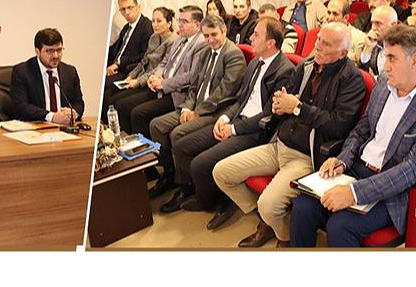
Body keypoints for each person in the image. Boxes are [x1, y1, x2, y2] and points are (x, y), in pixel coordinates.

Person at [290, 25, 416, 248]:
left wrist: (354, 193)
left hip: (392, 188)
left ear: (415, 60)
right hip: (357, 168)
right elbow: (362, 129)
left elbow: (411, 169)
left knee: (340, 226)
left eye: (392, 58)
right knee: (303, 207)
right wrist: (343, 160)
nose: (385, 66)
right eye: (385, 56)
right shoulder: (384, 84)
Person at [213, 23, 366, 248]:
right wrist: (278, 106)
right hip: (279, 144)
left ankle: (283, 235)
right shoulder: (306, 66)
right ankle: (269, 221)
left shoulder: (352, 79)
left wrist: (297, 108)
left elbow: (338, 126)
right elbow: (286, 99)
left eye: (326, 44)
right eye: (318, 39)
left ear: (343, 53)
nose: (317, 46)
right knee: (222, 173)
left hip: (306, 156)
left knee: (268, 204)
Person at [163, 18, 294, 225]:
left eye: (256, 34)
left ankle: (213, 202)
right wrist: (224, 118)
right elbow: (241, 100)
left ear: (271, 43)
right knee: (181, 145)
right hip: (237, 120)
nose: (250, 38)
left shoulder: (284, 70)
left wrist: (233, 129)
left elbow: (269, 115)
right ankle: (193, 189)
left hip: (256, 131)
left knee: (200, 164)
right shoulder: (255, 63)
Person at [151, 15, 246, 206]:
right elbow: (194, 85)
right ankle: (170, 173)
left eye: (214, 35)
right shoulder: (205, 52)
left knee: (178, 134)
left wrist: (197, 112)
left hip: (216, 111)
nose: (210, 40)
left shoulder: (233, 55)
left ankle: (187, 185)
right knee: (156, 125)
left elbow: (224, 92)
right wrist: (187, 107)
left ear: (224, 31)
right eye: (206, 36)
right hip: (194, 106)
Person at [115, 5, 207, 135]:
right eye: (179, 20)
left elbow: (191, 76)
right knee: (122, 105)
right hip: (160, 86)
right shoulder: (180, 39)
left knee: (138, 113)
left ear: (197, 25)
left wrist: (163, 84)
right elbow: (164, 63)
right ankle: (129, 142)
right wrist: (155, 77)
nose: (179, 24)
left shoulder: (201, 44)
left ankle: (143, 146)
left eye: (184, 21)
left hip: (177, 93)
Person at [102, 7, 177, 124]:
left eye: (159, 21)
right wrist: (131, 76)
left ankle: (127, 133)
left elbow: (160, 68)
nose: (155, 24)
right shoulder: (154, 37)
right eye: (153, 21)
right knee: (110, 98)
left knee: (121, 105)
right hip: (142, 78)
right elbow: (144, 60)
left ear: (169, 23)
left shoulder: (173, 41)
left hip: (154, 83)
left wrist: (137, 81)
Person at [11, 28, 84, 125]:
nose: (56, 56)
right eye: (50, 51)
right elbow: (21, 106)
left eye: (59, 50)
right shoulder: (22, 72)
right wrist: (52, 117)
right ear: (37, 51)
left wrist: (74, 113)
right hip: (37, 127)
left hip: (65, 127)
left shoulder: (70, 72)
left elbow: (79, 103)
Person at [105, 0, 153, 82]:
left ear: (138, 7)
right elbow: (115, 49)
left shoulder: (147, 26)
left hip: (128, 71)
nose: (127, 12)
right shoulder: (126, 27)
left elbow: (145, 55)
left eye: (130, 7)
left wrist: (119, 64)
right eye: (123, 9)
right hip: (114, 67)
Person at [360, 5, 398, 77]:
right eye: (372, 23)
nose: (373, 28)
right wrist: (368, 49)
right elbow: (365, 71)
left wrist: (374, 79)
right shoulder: (375, 41)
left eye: (378, 24)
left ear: (393, 25)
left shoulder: (402, 47)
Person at [326, 0, 365, 65]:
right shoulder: (324, 34)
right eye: (329, 13)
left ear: (346, 17)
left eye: (335, 14)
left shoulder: (359, 37)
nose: (330, 18)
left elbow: (355, 66)